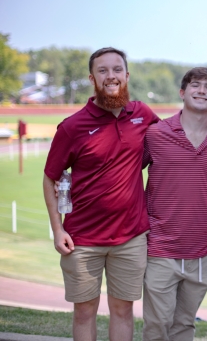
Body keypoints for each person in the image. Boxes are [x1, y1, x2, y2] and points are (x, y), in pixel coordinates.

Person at [43, 47, 159, 341]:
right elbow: (49, 178)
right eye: (103, 70)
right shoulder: (72, 126)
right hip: (81, 239)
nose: (111, 76)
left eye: (117, 69)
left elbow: (172, 138)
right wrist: (57, 230)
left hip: (131, 238)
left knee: (123, 310)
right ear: (92, 78)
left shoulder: (142, 114)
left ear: (127, 75)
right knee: (84, 312)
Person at [142, 68, 207, 341]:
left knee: (185, 326)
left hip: (202, 251)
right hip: (161, 248)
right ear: (182, 92)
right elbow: (126, 172)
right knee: (157, 327)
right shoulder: (156, 134)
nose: (202, 90)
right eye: (195, 85)